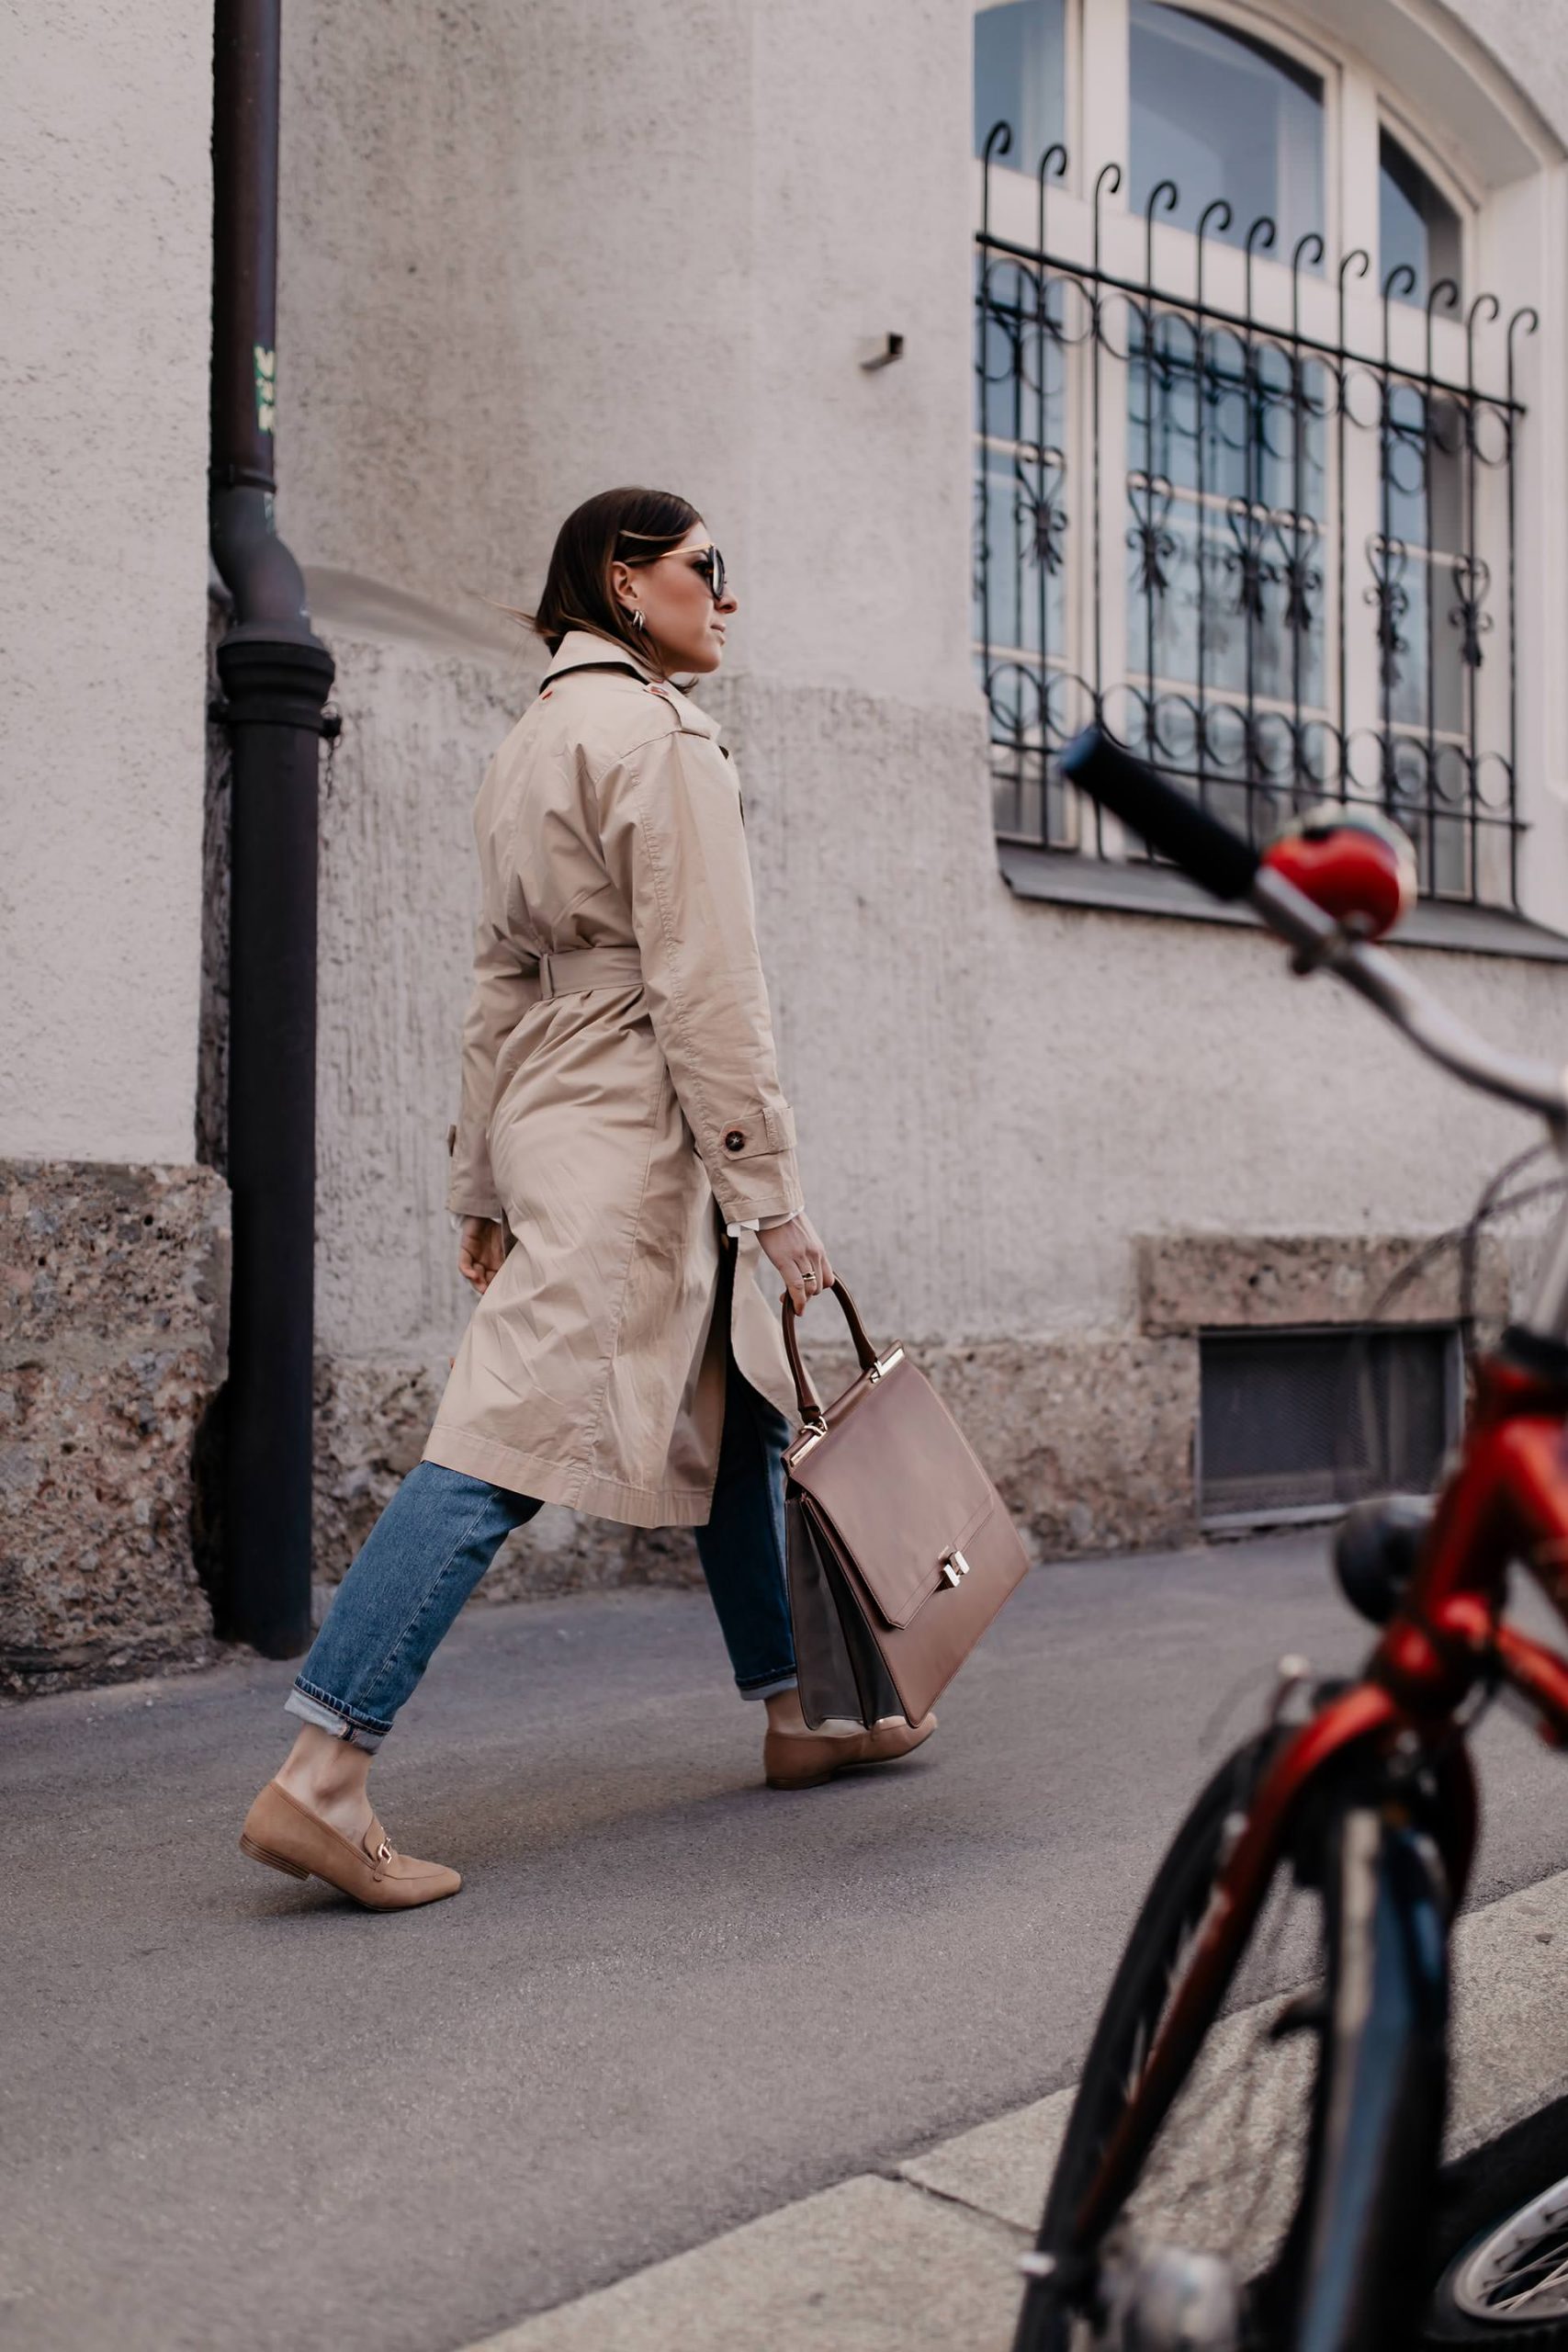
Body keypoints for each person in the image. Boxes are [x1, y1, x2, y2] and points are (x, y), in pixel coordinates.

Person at [239, 487, 935, 1910]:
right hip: (635, 1121)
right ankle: (322, 1775)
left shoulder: (531, 740)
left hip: (559, 1112)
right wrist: (773, 1196)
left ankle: (801, 1708)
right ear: (625, 581)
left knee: (738, 1399)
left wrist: (482, 1180)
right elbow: (708, 986)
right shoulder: (662, 736)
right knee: (504, 1437)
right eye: (704, 569)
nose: (725, 598)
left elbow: (497, 986)